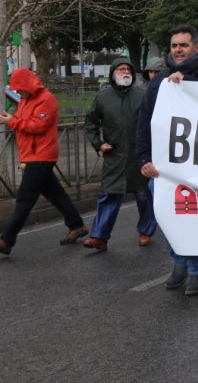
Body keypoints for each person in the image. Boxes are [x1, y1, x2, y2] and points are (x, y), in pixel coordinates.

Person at [136, 25, 198, 296]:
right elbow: (144, 123)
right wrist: (143, 158)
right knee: (166, 216)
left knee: (195, 218)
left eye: (183, 45)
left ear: (196, 47)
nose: (177, 50)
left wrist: (186, 87)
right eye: (174, 45)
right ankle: (178, 262)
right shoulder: (159, 81)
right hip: (164, 170)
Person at [0, 69, 89, 255]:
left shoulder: (46, 99)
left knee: (24, 199)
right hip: (33, 155)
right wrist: (13, 118)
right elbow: (25, 120)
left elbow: (37, 126)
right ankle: (76, 225)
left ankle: (6, 240)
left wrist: (12, 121)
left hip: (40, 156)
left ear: (29, 85)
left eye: (20, 89)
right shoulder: (26, 99)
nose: (19, 93)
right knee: (56, 195)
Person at [81, 58, 155, 251]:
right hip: (115, 155)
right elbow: (90, 123)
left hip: (139, 155)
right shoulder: (103, 97)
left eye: (128, 69)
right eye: (121, 69)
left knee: (144, 195)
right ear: (114, 73)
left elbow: (155, 122)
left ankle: (146, 231)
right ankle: (99, 236)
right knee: (109, 195)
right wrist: (98, 143)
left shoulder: (142, 95)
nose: (125, 72)